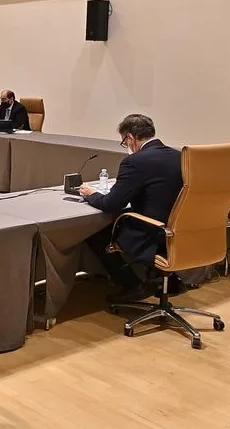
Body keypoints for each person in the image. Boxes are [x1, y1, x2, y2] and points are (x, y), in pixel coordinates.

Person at [79, 114, 184, 302]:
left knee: (95, 233)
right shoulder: (179, 156)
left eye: (124, 142)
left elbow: (111, 204)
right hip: (179, 230)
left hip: (152, 232)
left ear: (130, 138)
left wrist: (91, 194)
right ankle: (169, 279)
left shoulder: (135, 162)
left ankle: (130, 284)